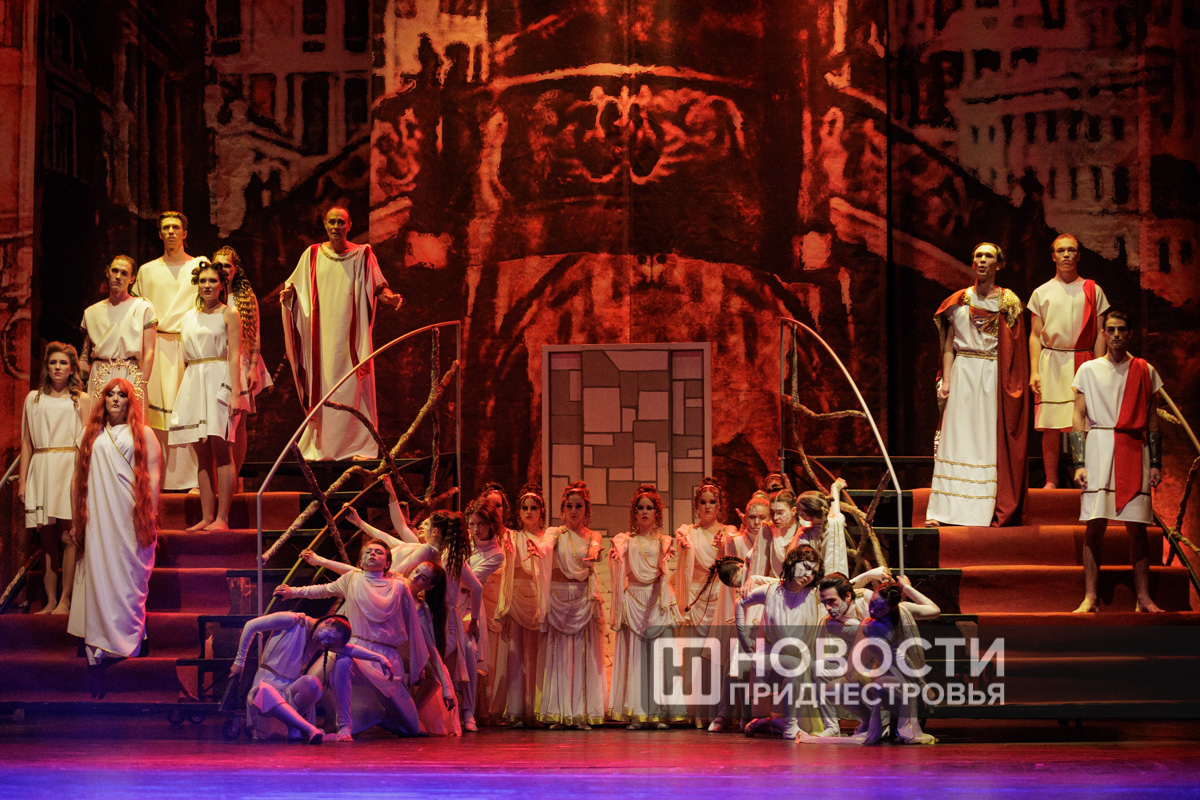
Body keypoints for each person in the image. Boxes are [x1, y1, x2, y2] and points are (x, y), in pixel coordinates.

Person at [280, 206, 402, 461]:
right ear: (325, 225)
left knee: (352, 386)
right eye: (332, 222)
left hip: (350, 339)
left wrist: (389, 298)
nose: (336, 227)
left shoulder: (362, 254)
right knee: (324, 386)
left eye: (341, 222)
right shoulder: (312, 255)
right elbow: (295, 286)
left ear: (349, 225)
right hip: (321, 338)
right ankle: (323, 446)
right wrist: (290, 294)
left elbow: (378, 286)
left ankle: (357, 446)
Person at [275, 538, 429, 738]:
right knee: (323, 673)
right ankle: (333, 726)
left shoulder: (399, 587)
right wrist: (293, 592)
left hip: (385, 654)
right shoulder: (352, 579)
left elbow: (413, 625)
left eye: (378, 552)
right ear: (361, 561)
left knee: (412, 728)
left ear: (387, 563)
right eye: (368, 552)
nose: (372, 554)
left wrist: (418, 662)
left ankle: (376, 717)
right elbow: (324, 590)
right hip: (352, 647)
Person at [67, 378, 162, 698]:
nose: (116, 400)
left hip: (129, 520)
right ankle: (96, 653)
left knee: (127, 578)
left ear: (130, 401)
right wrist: (76, 519)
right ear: (103, 399)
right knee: (98, 579)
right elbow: (77, 479)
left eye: (122, 395)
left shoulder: (144, 434)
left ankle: (127, 641)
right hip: (98, 519)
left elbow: (153, 478)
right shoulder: (90, 434)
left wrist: (149, 517)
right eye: (111, 395)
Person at [926, 242, 1029, 528]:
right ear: (973, 263)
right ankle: (945, 510)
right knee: (957, 438)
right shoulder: (958, 301)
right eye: (978, 256)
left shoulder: (1008, 302)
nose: (983, 260)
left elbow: (1016, 351)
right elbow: (949, 345)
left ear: (999, 264)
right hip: (963, 372)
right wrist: (947, 381)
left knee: (984, 439)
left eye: (989, 256)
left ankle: (979, 510)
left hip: (992, 373)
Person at [1070, 311, 1165, 614]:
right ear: (1103, 333)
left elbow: (1152, 419)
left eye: (1121, 329)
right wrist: (1079, 462)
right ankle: (1090, 597)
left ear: (1130, 333)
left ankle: (1144, 598)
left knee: (1137, 529)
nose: (1115, 335)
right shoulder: (1088, 369)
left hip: (1134, 450)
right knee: (1094, 526)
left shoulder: (1145, 370)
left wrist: (1155, 462)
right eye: (1110, 329)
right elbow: (1078, 416)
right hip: (1098, 447)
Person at [798, 577, 941, 745]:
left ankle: (892, 723)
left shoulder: (897, 613)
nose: (872, 611)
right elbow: (857, 663)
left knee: (881, 684)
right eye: (871, 604)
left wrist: (907, 588)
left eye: (879, 608)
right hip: (879, 673)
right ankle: (869, 722)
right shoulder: (839, 623)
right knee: (833, 687)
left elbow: (934, 610)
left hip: (905, 682)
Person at [229, 612, 394, 742]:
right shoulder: (292, 620)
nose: (324, 643)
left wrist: (379, 658)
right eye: (328, 637)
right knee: (264, 691)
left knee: (313, 683)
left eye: (329, 644)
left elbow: (349, 649)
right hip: (267, 683)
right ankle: (308, 729)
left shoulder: (319, 642)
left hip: (289, 689)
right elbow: (251, 625)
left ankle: (296, 729)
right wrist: (239, 662)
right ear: (328, 621)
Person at [1028, 234, 1109, 488]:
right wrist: (1034, 371)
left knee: (1083, 424)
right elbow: (1034, 336)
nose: (1066, 255)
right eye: (1061, 250)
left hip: (1084, 361)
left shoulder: (1093, 290)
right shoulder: (1042, 292)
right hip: (1052, 362)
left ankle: (1085, 479)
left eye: (1071, 250)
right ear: (1053, 256)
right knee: (1050, 424)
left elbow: (1101, 333)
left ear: (1078, 255)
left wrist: (1100, 366)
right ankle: (1052, 481)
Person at [169, 261, 244, 530]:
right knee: (202, 456)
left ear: (222, 284)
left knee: (222, 451)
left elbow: (234, 355)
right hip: (194, 382)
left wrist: (235, 393)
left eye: (212, 280)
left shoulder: (229, 313)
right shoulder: (189, 317)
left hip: (218, 380)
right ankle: (207, 517)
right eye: (202, 281)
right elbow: (185, 358)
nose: (207, 285)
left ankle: (223, 518)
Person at [133, 211, 203, 490]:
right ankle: (158, 479)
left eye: (176, 227)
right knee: (155, 416)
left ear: (185, 233)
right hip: (156, 346)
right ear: (160, 234)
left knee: (189, 412)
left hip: (188, 346)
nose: (171, 232)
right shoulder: (147, 271)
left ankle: (194, 478)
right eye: (166, 228)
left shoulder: (199, 265)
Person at [19, 343, 91, 614]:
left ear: (72, 369)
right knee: (47, 539)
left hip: (69, 468)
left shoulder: (80, 399)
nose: (57, 367)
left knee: (69, 537)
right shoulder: (33, 399)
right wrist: (23, 482)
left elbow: (86, 442)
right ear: (46, 368)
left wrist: (83, 479)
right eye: (53, 363)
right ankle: (50, 601)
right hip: (42, 467)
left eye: (63, 363)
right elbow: (27, 444)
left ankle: (66, 600)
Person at [609, 484, 685, 729]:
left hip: (656, 601)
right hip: (634, 600)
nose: (644, 512)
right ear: (634, 512)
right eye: (640, 508)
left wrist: (667, 551)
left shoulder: (663, 540)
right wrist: (617, 553)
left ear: (656, 512)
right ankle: (638, 713)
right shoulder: (626, 539)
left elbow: (667, 545)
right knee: (637, 658)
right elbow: (619, 547)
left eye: (649, 508)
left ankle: (658, 713)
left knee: (658, 658)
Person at [736, 546, 825, 739]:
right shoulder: (771, 591)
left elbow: (847, 587)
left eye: (813, 572)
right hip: (769, 655)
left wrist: (872, 575)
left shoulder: (813, 594)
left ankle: (767, 723)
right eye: (805, 567)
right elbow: (740, 603)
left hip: (799, 657)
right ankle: (789, 726)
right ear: (793, 563)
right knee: (796, 665)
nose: (808, 575)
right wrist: (744, 640)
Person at [537, 480, 606, 730]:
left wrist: (595, 554)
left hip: (582, 599)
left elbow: (595, 548)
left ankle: (581, 714)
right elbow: (546, 547)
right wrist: (539, 550)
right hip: (559, 599)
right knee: (560, 657)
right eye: (569, 506)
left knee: (582, 655)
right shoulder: (555, 533)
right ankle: (560, 713)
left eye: (579, 506)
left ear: (586, 509)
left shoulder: (593, 535)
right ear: (563, 509)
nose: (574, 511)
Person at [673, 478, 738, 728]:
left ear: (720, 505)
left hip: (719, 599)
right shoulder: (688, 532)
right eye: (703, 502)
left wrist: (724, 546)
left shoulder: (728, 531)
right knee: (694, 657)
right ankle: (696, 713)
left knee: (716, 656)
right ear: (696, 505)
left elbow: (734, 561)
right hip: (695, 599)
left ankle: (719, 712)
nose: (707, 506)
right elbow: (682, 549)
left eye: (712, 502)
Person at [491, 483, 554, 726]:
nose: (529, 512)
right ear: (518, 512)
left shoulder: (549, 538)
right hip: (516, 598)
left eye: (534, 508)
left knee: (539, 656)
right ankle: (516, 710)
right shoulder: (511, 536)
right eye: (525, 508)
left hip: (538, 599)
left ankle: (538, 709)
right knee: (515, 656)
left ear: (541, 511)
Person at [213, 246, 273, 476]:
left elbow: (255, 334)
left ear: (236, 269)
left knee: (238, 423)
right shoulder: (209, 295)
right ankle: (218, 478)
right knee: (216, 423)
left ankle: (234, 476)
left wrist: (254, 367)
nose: (223, 270)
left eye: (227, 265)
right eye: (218, 265)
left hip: (240, 362)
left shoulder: (245, 297)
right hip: (215, 362)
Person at [80, 255, 156, 404]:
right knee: (97, 417)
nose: (118, 276)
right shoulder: (91, 312)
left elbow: (149, 352)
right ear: (108, 272)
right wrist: (81, 382)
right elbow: (85, 354)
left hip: (129, 374)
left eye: (124, 273)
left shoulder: (143, 308)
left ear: (132, 279)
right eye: (115, 271)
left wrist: (142, 384)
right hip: (99, 375)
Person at [404, 561, 460, 735]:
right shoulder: (395, 585)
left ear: (429, 587)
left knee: (436, 675)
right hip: (383, 647)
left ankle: (410, 715)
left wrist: (447, 688)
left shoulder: (421, 608)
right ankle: (405, 717)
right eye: (416, 571)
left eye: (422, 578)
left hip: (404, 652)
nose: (415, 577)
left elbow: (431, 647)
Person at [465, 494, 507, 719]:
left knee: (470, 658)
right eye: (472, 524)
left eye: (481, 524)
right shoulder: (464, 541)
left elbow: (469, 580)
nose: (476, 529)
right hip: (451, 600)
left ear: (491, 524)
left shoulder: (496, 553)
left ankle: (469, 713)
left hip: (469, 605)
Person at [794, 479, 850, 578]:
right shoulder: (838, 521)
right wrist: (834, 488)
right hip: (840, 580)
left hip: (819, 582)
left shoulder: (805, 535)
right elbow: (835, 510)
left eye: (801, 514)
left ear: (808, 516)